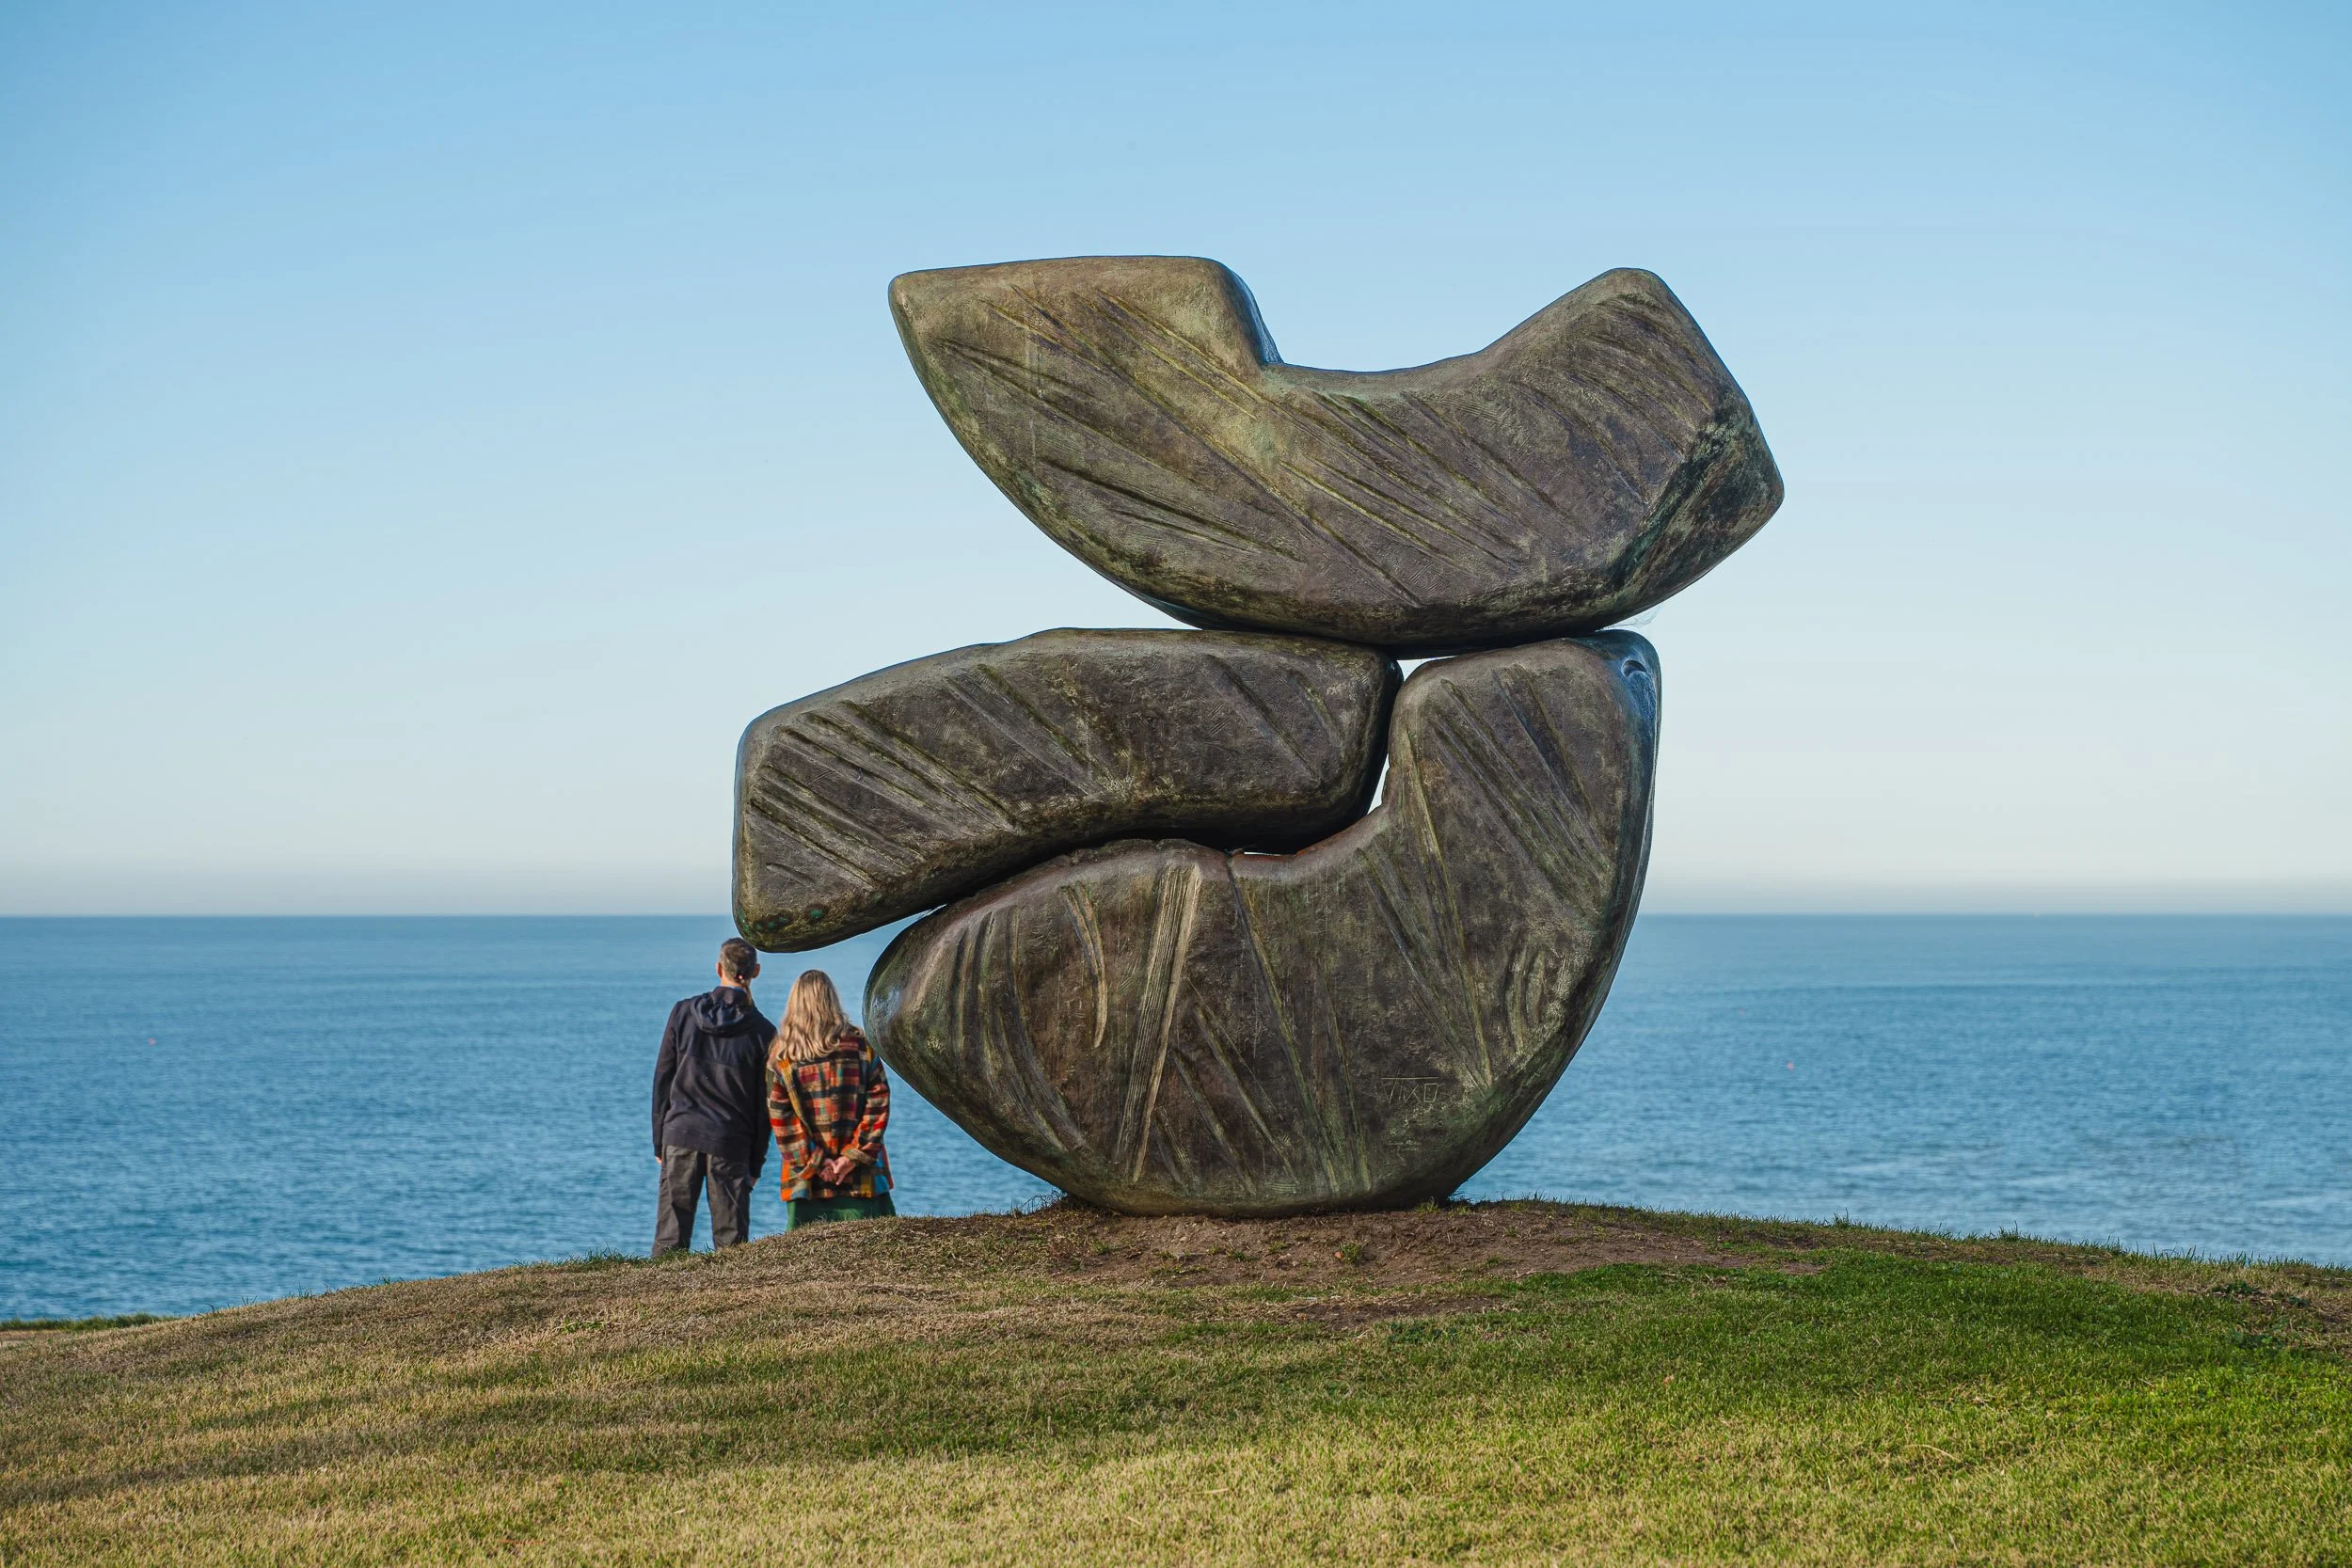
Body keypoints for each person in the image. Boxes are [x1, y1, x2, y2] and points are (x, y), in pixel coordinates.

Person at [650, 937, 774, 1256]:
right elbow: (764, 1105)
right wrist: (756, 1161)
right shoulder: (763, 1032)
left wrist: (659, 1140)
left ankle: (661, 1301)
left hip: (681, 1132)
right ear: (755, 971)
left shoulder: (683, 1013)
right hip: (730, 1141)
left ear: (719, 968)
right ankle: (733, 1304)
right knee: (732, 1245)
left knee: (669, 1240)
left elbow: (663, 1080)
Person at [767, 970, 896, 1228]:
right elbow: (878, 1104)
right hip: (862, 1179)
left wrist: (816, 1163)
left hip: (807, 1184)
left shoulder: (782, 1057)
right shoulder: (862, 1047)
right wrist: (852, 1157)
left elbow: (783, 1123)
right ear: (831, 1000)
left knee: (805, 1261)